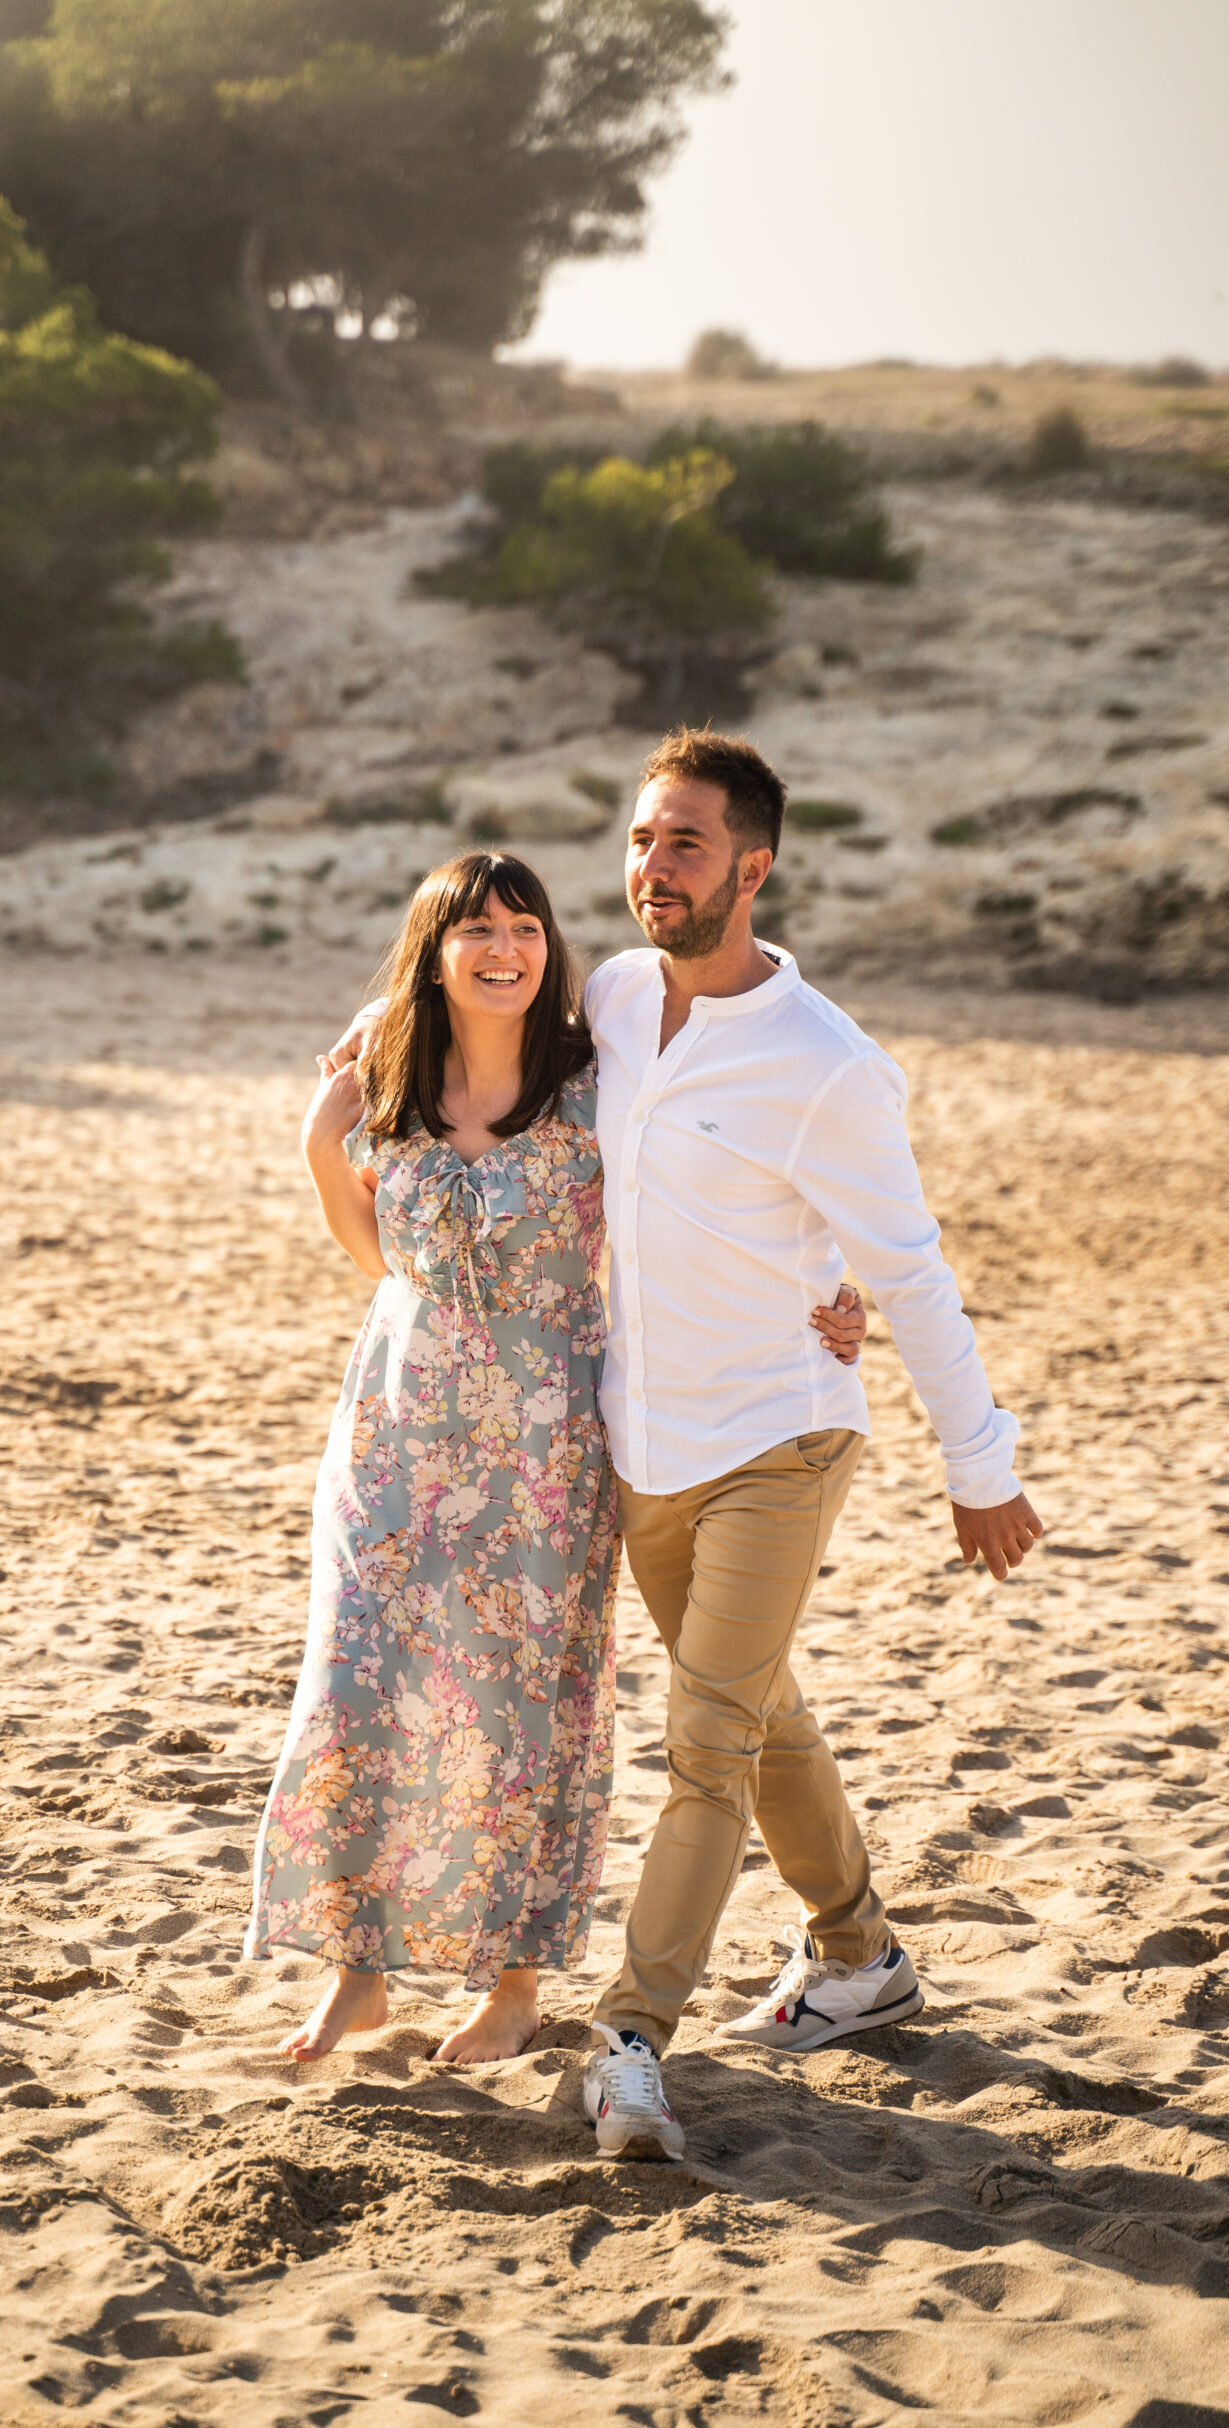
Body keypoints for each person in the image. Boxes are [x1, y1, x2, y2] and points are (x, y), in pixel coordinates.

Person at [326, 730, 1044, 2158]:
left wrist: (981, 1467)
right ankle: (859, 1957)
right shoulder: (608, 1000)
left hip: (779, 1437)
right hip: (632, 1449)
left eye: (686, 845)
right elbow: (490, 1046)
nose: (653, 868)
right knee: (761, 1708)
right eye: (642, 840)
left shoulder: (829, 1064)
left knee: (704, 1742)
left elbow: (903, 1263)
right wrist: (375, 1033)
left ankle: (630, 2038)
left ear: (752, 867)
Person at [247, 848, 865, 2065]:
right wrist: (327, 1141)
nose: (502, 949)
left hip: (546, 1453)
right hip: (396, 1439)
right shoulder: (384, 1078)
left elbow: (728, 1176)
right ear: (434, 952)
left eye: (524, 926)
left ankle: (513, 1987)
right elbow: (380, 1262)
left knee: (528, 1713)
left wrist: (829, 1288)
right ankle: (356, 1978)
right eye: (473, 929)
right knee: (361, 1690)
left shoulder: (598, 1080)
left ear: (549, 949)